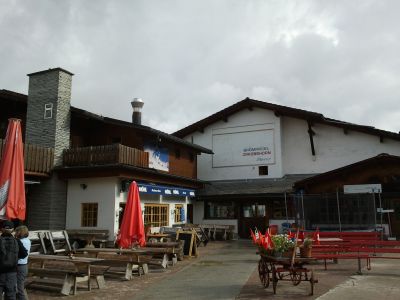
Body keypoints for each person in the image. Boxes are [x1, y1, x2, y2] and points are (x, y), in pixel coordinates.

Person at [0, 220, 28, 300]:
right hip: (12, 273)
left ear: (1, 229)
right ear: (12, 230)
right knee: (11, 295)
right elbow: (24, 254)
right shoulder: (17, 241)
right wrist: (15, 257)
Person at [15, 225, 31, 300]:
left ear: (20, 232)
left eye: (17, 231)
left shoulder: (20, 241)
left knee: (19, 287)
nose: (15, 233)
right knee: (19, 286)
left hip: (20, 265)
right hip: (24, 265)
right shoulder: (28, 240)